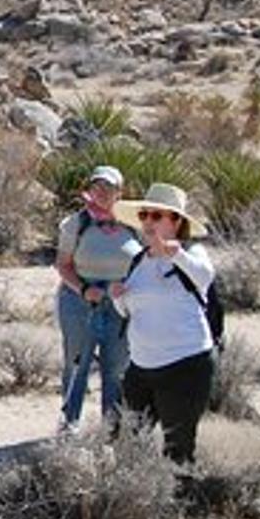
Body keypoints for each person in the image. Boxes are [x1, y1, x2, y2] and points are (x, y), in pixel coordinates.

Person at [110, 182, 216, 465]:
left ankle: (182, 504)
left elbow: (205, 277)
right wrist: (117, 298)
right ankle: (135, 506)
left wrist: (175, 254)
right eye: (144, 215)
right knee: (128, 441)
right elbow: (129, 312)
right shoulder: (138, 261)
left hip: (185, 365)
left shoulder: (191, 255)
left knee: (177, 448)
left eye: (156, 216)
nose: (148, 222)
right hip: (141, 368)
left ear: (176, 221)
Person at [54, 164, 142, 434]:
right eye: (97, 186)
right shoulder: (75, 224)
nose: (102, 192)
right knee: (77, 361)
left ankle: (111, 427)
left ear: (120, 192)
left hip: (120, 304)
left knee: (116, 366)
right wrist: (83, 289)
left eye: (109, 187)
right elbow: (63, 265)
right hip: (80, 300)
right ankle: (70, 421)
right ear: (89, 189)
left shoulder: (133, 224)